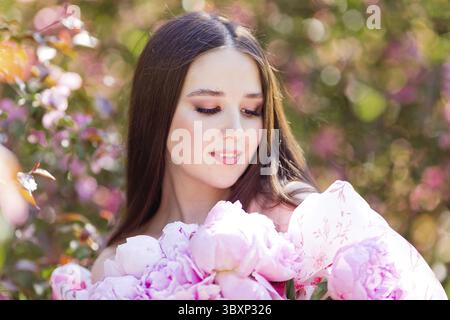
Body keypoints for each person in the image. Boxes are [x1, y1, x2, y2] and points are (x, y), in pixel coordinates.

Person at [91, 11, 318, 282]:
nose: (236, 131)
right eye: (208, 109)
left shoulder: (293, 221)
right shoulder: (116, 269)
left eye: (250, 110)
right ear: (155, 113)